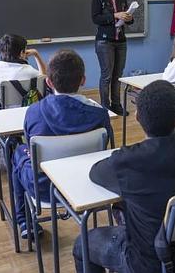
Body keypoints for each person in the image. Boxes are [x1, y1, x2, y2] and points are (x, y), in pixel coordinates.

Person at [74, 80, 175, 273]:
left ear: (137, 117)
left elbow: (95, 173)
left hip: (145, 262)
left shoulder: (128, 161)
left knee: (82, 244)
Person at [11, 50, 112, 239]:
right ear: (83, 80)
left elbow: (29, 143)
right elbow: (105, 147)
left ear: (48, 82)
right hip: (88, 184)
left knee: (18, 152)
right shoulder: (99, 114)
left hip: (44, 189)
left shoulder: (34, 112)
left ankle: (24, 221)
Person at [92, 0, 134, 116]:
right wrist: (115, 15)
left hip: (120, 41)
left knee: (118, 75)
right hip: (104, 42)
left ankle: (117, 105)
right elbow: (96, 18)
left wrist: (129, 17)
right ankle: (105, 106)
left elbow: (128, 18)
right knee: (107, 75)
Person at [0, 33, 47, 111]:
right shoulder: (29, 71)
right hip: (21, 115)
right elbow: (45, 77)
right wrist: (36, 54)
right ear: (21, 53)